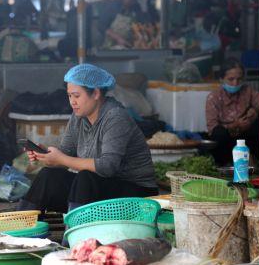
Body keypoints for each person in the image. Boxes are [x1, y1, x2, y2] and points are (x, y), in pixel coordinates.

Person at [18, 64, 158, 213]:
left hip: (137, 195)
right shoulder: (78, 116)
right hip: (102, 188)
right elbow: (66, 153)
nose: (72, 102)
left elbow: (107, 167)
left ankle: (76, 233)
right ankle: (25, 225)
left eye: (77, 96)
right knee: (48, 175)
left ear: (96, 93)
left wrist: (61, 159)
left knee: (85, 178)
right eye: (69, 96)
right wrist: (46, 154)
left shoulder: (115, 117)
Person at [205, 58, 259, 165]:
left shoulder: (247, 91)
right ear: (222, 79)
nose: (235, 83)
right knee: (218, 134)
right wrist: (235, 125)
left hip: (245, 137)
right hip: (227, 138)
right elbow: (212, 128)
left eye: (239, 79)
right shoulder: (213, 97)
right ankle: (224, 164)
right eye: (231, 79)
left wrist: (255, 111)